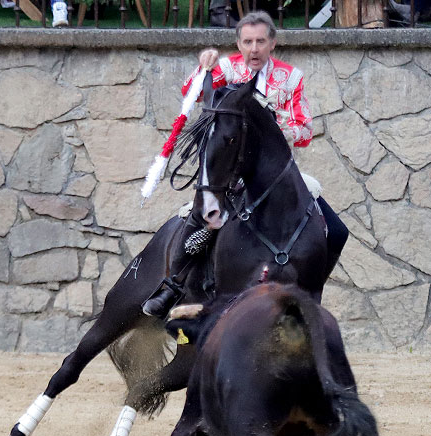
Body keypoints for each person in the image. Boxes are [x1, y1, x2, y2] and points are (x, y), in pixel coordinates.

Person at [142, 10, 348, 318]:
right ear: (238, 44)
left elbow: (305, 129)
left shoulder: (291, 77)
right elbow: (192, 92)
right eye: (248, 42)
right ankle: (172, 285)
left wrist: (271, 130)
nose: (254, 49)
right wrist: (204, 66)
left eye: (261, 41)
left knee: (337, 230)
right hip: (231, 173)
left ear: (272, 44)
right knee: (200, 219)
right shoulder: (226, 68)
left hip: (277, 174)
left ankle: (311, 285)